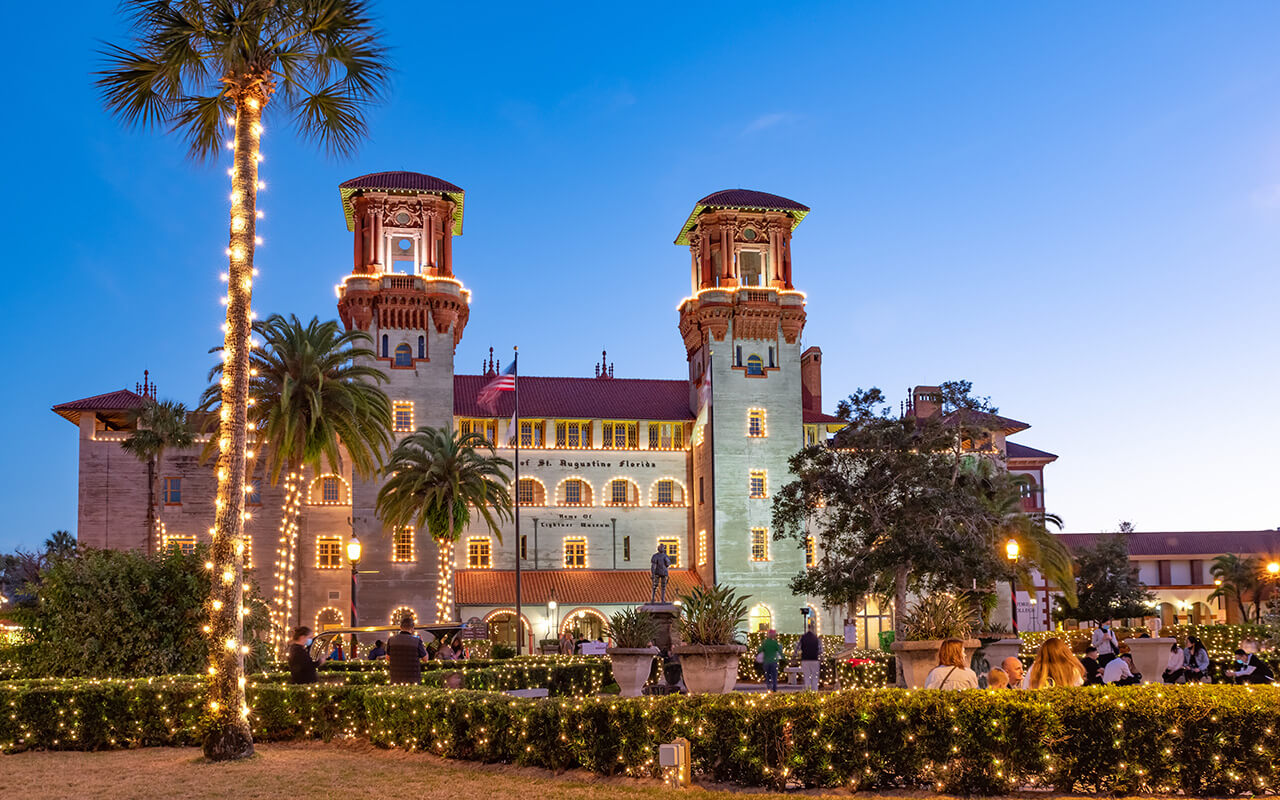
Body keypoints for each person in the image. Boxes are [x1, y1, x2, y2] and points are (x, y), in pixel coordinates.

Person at [387, 615, 427, 684]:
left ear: (400, 627)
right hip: (413, 679)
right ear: (412, 628)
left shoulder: (391, 640)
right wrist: (422, 644)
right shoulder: (417, 641)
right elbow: (425, 659)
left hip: (395, 679)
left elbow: (387, 658)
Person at [797, 624, 822, 690]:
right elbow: (820, 651)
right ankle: (815, 692)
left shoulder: (803, 637)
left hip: (805, 660)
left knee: (806, 677)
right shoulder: (816, 638)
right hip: (814, 660)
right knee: (815, 677)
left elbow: (797, 649)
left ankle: (808, 692)